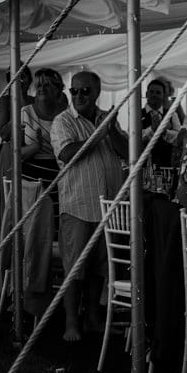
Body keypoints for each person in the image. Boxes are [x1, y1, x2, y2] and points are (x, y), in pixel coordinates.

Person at [52, 70, 128, 343]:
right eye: (75, 91)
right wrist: (99, 133)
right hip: (78, 206)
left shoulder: (106, 119)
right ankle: (71, 323)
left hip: (107, 207)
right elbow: (68, 154)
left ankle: (93, 319)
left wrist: (111, 129)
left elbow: (127, 151)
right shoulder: (63, 121)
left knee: (99, 269)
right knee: (74, 269)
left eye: (85, 91)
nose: (79, 95)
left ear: (97, 92)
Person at [3, 67, 66, 332]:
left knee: (51, 243)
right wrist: (34, 148)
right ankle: (21, 297)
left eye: (48, 85)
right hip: (29, 183)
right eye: (38, 84)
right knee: (27, 242)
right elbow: (13, 155)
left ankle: (49, 299)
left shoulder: (64, 118)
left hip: (58, 185)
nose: (41, 88)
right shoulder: (24, 113)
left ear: (58, 90)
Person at [141, 77, 183, 170]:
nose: (154, 95)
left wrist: (165, 132)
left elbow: (179, 137)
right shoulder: (137, 115)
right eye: (151, 92)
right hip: (143, 167)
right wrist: (151, 129)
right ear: (146, 94)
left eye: (158, 93)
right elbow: (133, 138)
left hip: (166, 167)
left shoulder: (171, 114)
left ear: (164, 96)